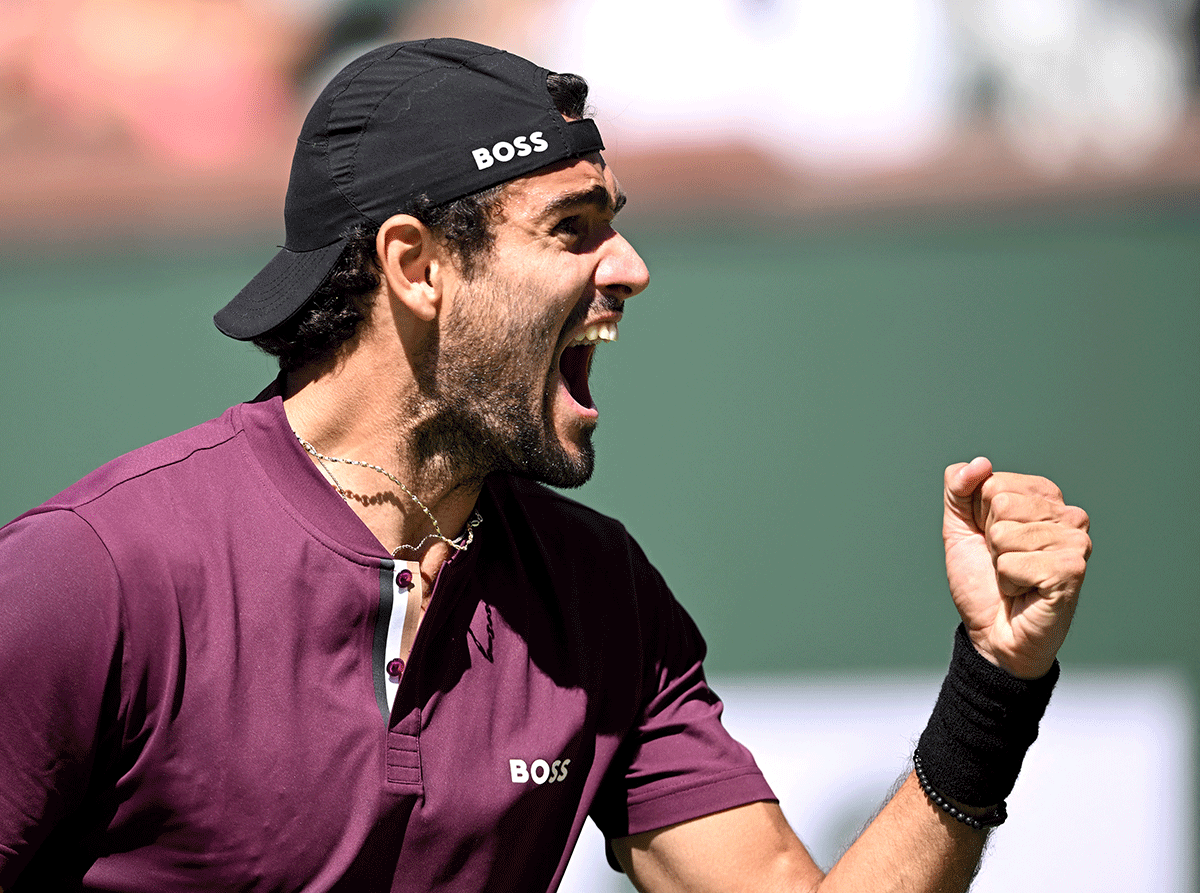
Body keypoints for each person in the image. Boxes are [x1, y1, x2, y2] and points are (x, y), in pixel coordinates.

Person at [0, 38, 1091, 893]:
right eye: (573, 230)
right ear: (416, 265)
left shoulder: (603, 600)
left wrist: (994, 684)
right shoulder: (92, 575)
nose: (633, 270)